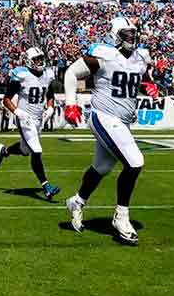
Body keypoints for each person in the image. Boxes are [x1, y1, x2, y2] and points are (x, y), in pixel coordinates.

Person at [63, 17, 158, 245]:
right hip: (103, 116)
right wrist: (70, 103)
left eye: (134, 34)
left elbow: (139, 77)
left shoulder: (141, 57)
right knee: (135, 162)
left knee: (102, 167)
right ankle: (121, 216)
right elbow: (71, 73)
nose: (132, 38)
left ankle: (77, 201)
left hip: (122, 120)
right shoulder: (103, 54)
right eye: (127, 34)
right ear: (116, 35)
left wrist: (149, 85)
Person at [0, 47, 60, 200]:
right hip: (25, 118)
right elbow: (6, 99)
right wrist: (18, 112)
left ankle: (5, 151)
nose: (40, 61)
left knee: (25, 150)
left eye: (41, 58)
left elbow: (50, 94)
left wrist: (50, 107)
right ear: (29, 61)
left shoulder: (48, 75)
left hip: (38, 119)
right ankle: (47, 187)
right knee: (36, 150)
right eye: (36, 59)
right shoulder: (22, 75)